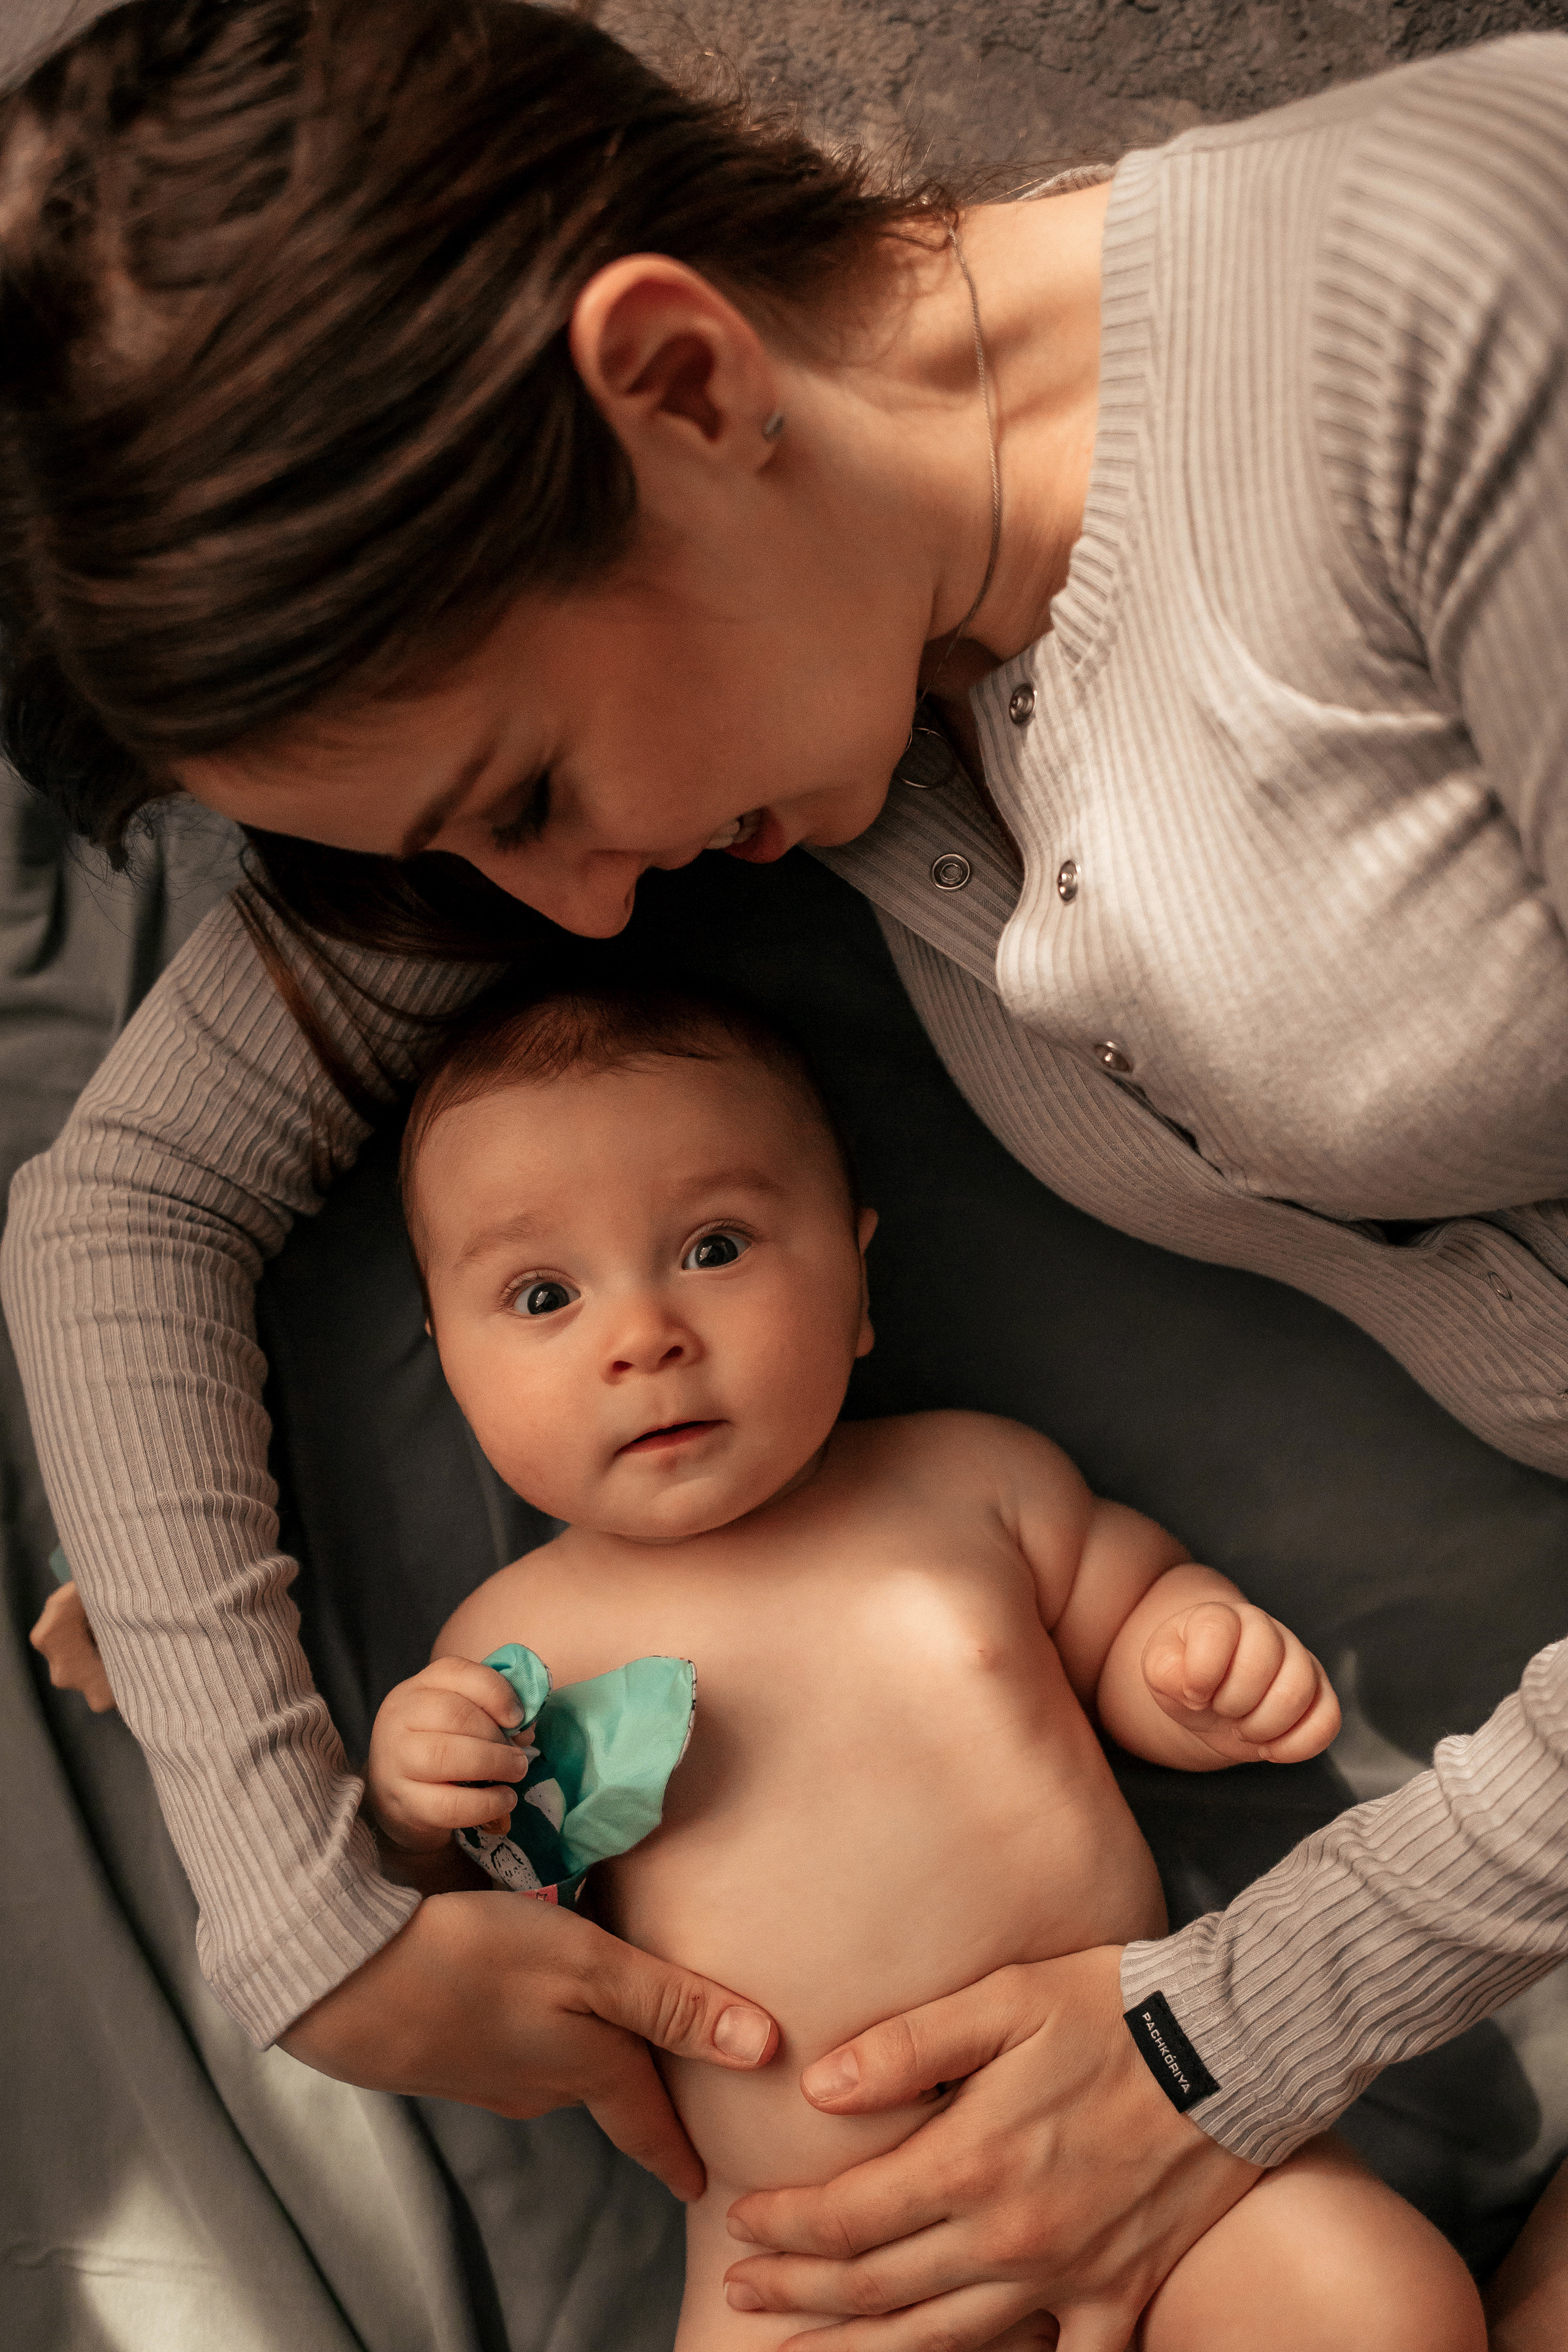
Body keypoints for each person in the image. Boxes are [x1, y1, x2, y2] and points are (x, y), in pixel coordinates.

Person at [4, 1, 1568, 2343]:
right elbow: (122, 1212)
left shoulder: (1464, 312)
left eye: (524, 789)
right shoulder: (812, 687)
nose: (577, 914)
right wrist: (311, 1914)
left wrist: (1227, 2029)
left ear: (681, 379)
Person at [364, 972, 1483, 2352]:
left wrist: (1192, 1664)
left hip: (1171, 2148)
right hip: (813, 2259)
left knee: (1378, 2306)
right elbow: (482, 1931)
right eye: (543, 1295)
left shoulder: (973, 1483)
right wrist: (421, 1808)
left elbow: (1122, 1610)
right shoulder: (503, 1643)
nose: (641, 1335)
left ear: (856, 1279)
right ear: (449, 1361)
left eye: (714, 1248)